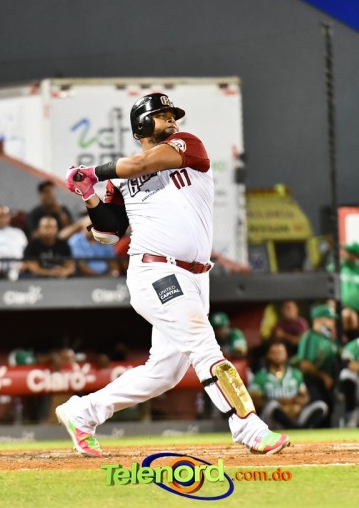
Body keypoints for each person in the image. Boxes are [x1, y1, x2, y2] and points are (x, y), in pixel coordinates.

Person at [56, 92, 290, 456]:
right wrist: (89, 194)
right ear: (142, 124)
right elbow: (108, 233)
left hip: (196, 277)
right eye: (162, 115)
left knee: (164, 373)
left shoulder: (186, 145)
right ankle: (248, 427)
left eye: (172, 114)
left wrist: (94, 173)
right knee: (203, 344)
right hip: (156, 270)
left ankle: (82, 412)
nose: (171, 120)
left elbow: (143, 163)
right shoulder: (122, 177)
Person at [248, 342, 328, 430]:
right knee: (272, 406)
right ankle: (294, 428)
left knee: (321, 405)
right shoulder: (260, 376)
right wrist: (284, 403)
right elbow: (256, 402)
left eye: (280, 352)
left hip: (296, 415)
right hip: (272, 420)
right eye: (274, 353)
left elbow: (305, 397)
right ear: (267, 355)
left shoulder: (295, 374)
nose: (277, 355)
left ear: (286, 355)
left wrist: (296, 406)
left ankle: (302, 428)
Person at [293, 304, 341, 427]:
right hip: (313, 382)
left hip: (329, 382)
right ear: (320, 320)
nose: (333, 322)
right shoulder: (309, 337)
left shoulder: (329, 338)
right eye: (330, 319)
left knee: (329, 413)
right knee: (320, 409)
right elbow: (305, 364)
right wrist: (323, 376)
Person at [0, 206, 28, 280]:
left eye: (4, 216)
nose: (1, 219)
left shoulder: (18, 233)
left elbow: (25, 249)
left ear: (9, 218)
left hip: (15, 267)